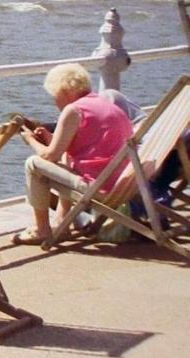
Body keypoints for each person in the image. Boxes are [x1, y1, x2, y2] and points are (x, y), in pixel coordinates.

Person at [13, 63, 134, 244]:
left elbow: (48, 157)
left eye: (55, 95)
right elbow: (79, 145)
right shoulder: (106, 105)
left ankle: (42, 230)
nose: (55, 101)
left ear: (64, 91)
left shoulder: (74, 110)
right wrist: (49, 137)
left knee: (33, 164)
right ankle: (62, 221)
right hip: (124, 184)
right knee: (67, 157)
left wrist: (30, 140)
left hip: (100, 188)